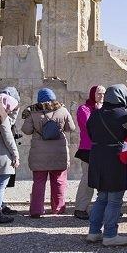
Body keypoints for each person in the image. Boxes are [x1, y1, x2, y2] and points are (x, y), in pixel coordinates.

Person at [86, 84, 127, 247]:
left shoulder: (95, 114)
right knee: (114, 199)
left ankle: (93, 232)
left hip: (97, 157)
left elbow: (91, 133)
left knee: (101, 197)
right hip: (115, 160)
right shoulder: (125, 116)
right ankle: (110, 235)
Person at [22, 88, 75, 218]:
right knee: (59, 181)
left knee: (39, 182)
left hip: (39, 152)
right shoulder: (62, 110)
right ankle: (58, 208)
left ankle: (36, 210)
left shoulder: (33, 112)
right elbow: (71, 128)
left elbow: (26, 130)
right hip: (59, 151)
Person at [0, 87, 21, 224]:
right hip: (2, 155)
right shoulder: (2, 117)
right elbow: (8, 137)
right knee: (1, 183)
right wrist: (15, 154)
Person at [74, 85, 106, 220]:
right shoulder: (84, 109)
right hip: (88, 149)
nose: (102, 96)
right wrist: (99, 112)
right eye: (99, 93)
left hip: (103, 149)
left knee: (104, 180)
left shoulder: (104, 109)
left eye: (104, 94)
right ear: (93, 94)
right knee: (87, 179)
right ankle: (80, 208)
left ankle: (106, 208)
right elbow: (88, 126)